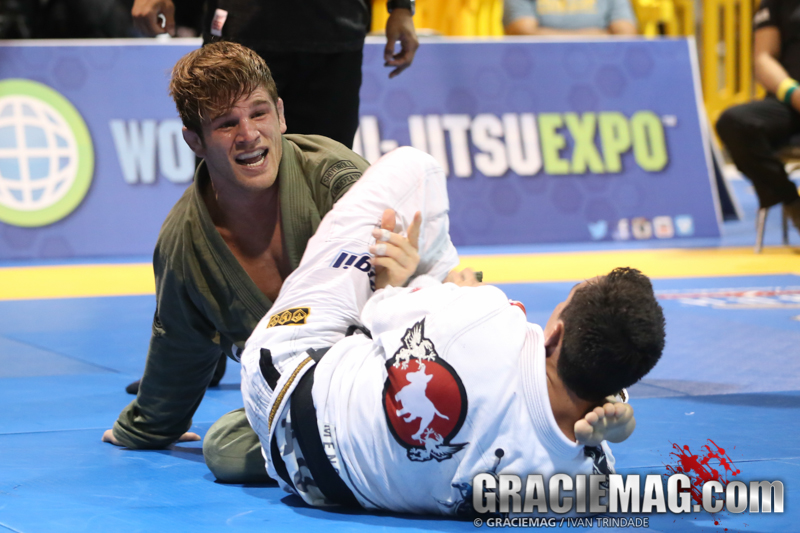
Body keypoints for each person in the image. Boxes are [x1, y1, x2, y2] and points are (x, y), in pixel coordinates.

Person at [240, 146, 665, 515]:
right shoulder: (579, 484)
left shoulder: (487, 317)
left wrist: (418, 285)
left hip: (283, 382)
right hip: (318, 487)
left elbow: (379, 309)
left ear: (554, 334)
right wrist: (615, 410)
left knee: (416, 171)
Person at [101, 41, 403, 484]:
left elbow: (418, 290)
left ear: (280, 115)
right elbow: (178, 348)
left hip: (392, 375)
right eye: (226, 123)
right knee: (224, 449)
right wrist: (147, 427)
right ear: (194, 141)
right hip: (307, 402)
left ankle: (363, 453)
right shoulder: (186, 245)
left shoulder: (336, 181)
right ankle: (378, 455)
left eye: (259, 113)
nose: (248, 135)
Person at [129, 0, 419, 148]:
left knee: (326, 182)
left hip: (333, 38)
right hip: (237, 32)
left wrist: (402, 8)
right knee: (225, 182)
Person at [716, 0, 800, 233]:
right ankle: (791, 201)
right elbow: (763, 58)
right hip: (789, 102)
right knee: (734, 123)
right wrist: (794, 93)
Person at [503, 0, 637, 36]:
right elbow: (522, 32)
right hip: (541, 68)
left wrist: (542, 33)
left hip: (599, 68)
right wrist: (602, 34)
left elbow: (626, 33)